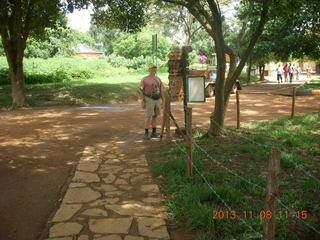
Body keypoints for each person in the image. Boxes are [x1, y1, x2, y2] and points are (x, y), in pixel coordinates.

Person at [140, 64, 164, 140]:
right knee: (148, 116)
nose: (153, 70)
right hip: (149, 98)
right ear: (149, 70)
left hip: (158, 99)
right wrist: (143, 100)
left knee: (155, 116)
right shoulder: (144, 79)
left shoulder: (158, 79)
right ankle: (146, 133)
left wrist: (163, 100)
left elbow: (162, 90)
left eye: (155, 68)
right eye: (152, 68)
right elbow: (141, 90)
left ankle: (154, 132)